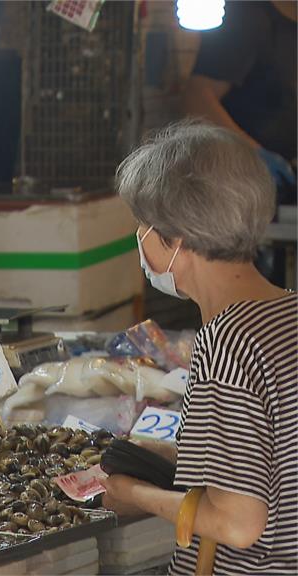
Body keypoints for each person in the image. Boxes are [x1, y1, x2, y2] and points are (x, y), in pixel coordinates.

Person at [100, 122, 296, 575]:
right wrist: (179, 458)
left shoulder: (228, 342)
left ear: (175, 238)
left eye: (143, 225)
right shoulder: (288, 313)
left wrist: (132, 494)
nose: (140, 237)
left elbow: (237, 522)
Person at [183, 0, 296, 191]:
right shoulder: (248, 16)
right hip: (236, 186)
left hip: (282, 185)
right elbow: (195, 97)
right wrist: (253, 153)